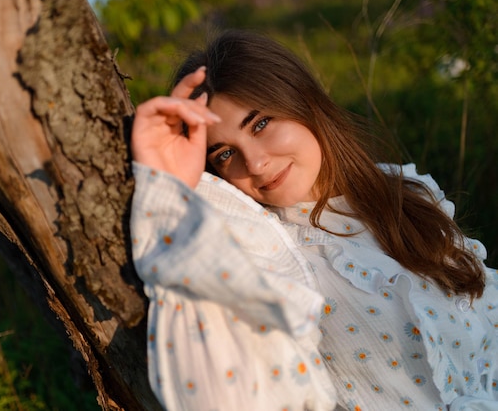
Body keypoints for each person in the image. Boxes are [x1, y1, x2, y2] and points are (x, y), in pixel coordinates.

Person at [129, 30, 498, 411]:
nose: (255, 164)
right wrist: (171, 187)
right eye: (224, 154)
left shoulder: (407, 192)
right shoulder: (261, 252)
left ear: (302, 101)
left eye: (260, 124)